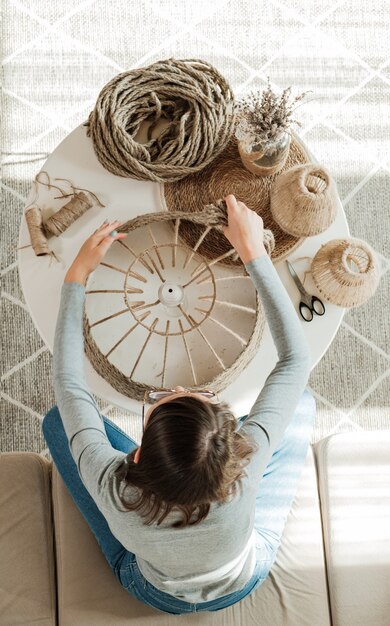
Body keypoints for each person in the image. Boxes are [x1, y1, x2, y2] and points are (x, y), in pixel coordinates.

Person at [42, 193, 315, 615]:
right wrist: (254, 253)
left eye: (162, 402)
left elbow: (68, 387)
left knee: (59, 422)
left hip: (153, 589)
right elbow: (297, 360)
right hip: (241, 579)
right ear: (233, 453)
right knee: (302, 401)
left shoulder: (111, 486)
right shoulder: (245, 467)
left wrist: (76, 276)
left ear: (136, 454)